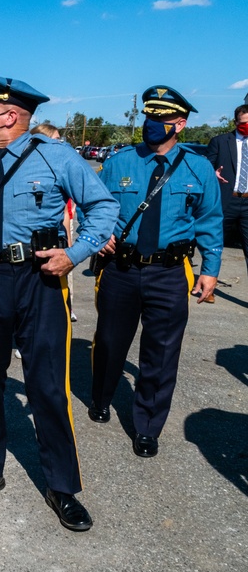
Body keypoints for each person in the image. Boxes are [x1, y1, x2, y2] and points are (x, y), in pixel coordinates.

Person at [0, 73, 118, 532]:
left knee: (48, 386)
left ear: (10, 115)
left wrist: (74, 254)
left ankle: (62, 486)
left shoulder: (56, 157)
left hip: (40, 281)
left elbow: (104, 207)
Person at [89, 86, 222, 458]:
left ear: (179, 123)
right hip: (121, 268)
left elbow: (210, 221)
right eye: (149, 117)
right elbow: (90, 205)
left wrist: (210, 270)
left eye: (162, 119)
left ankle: (147, 425)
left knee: (161, 353)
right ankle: (101, 396)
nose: (152, 124)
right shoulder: (119, 162)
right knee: (111, 341)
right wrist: (98, 235)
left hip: (169, 272)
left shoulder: (198, 168)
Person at [30, 123, 78, 322]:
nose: (60, 143)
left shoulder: (62, 165)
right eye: (56, 139)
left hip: (58, 234)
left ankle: (67, 308)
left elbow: (65, 215)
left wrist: (69, 249)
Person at [206, 103, 248, 278]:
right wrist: (212, 174)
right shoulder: (220, 142)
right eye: (243, 123)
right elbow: (205, 168)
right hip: (225, 201)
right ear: (235, 122)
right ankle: (208, 285)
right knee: (214, 246)